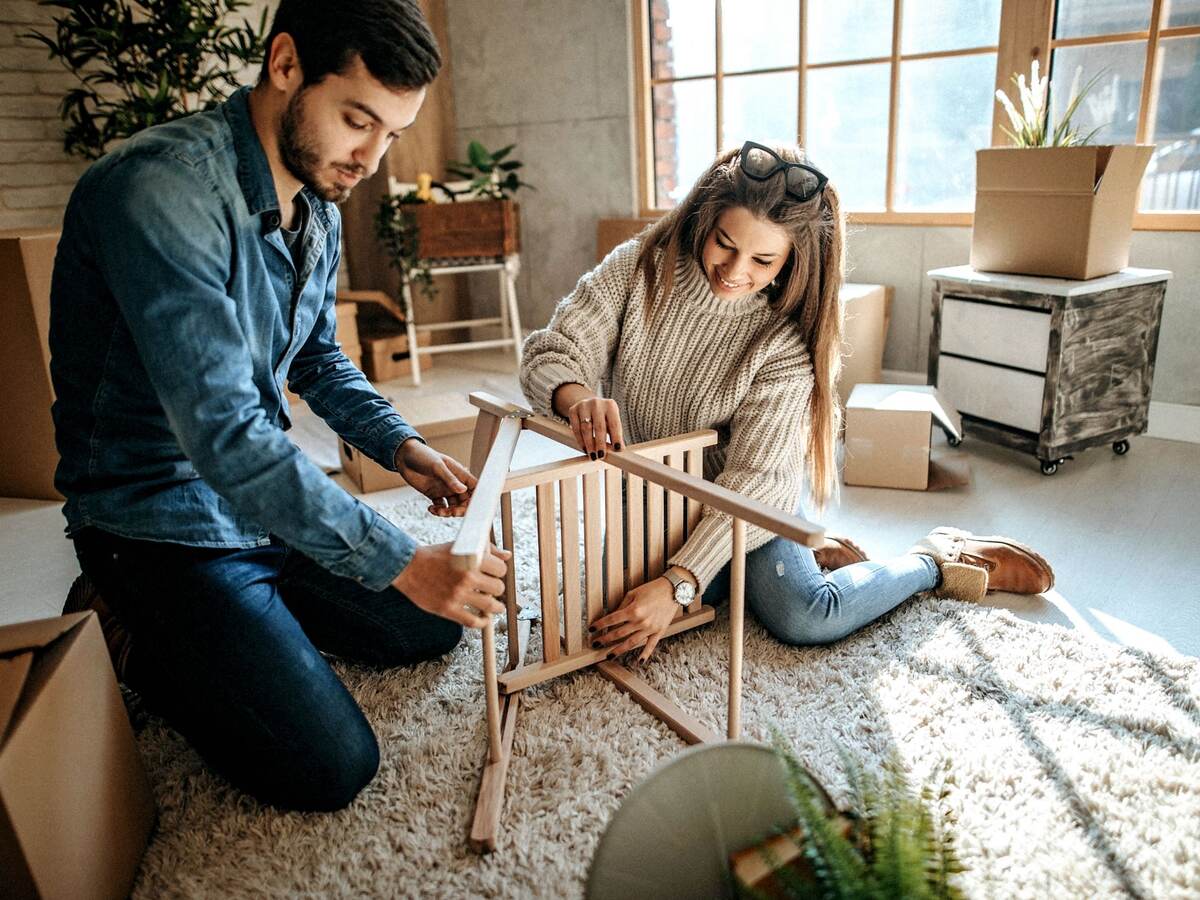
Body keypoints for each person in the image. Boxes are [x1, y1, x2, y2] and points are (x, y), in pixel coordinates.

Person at [49, 0, 509, 812]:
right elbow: (227, 438)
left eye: (392, 135)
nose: (370, 158)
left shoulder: (318, 203)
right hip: (155, 525)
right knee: (331, 765)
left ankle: (251, 616)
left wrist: (401, 446)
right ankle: (125, 621)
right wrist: (400, 559)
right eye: (357, 120)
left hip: (261, 509)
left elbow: (314, 356)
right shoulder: (160, 191)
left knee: (431, 625)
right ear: (287, 64)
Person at [519, 141, 1054, 663]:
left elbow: (757, 484)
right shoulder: (638, 267)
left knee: (804, 615)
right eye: (724, 242)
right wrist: (577, 395)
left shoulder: (782, 347)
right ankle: (812, 553)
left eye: (763, 259)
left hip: (749, 504)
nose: (735, 270)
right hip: (658, 497)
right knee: (609, 615)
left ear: (792, 261)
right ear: (705, 219)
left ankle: (936, 561)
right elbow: (552, 347)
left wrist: (679, 584)